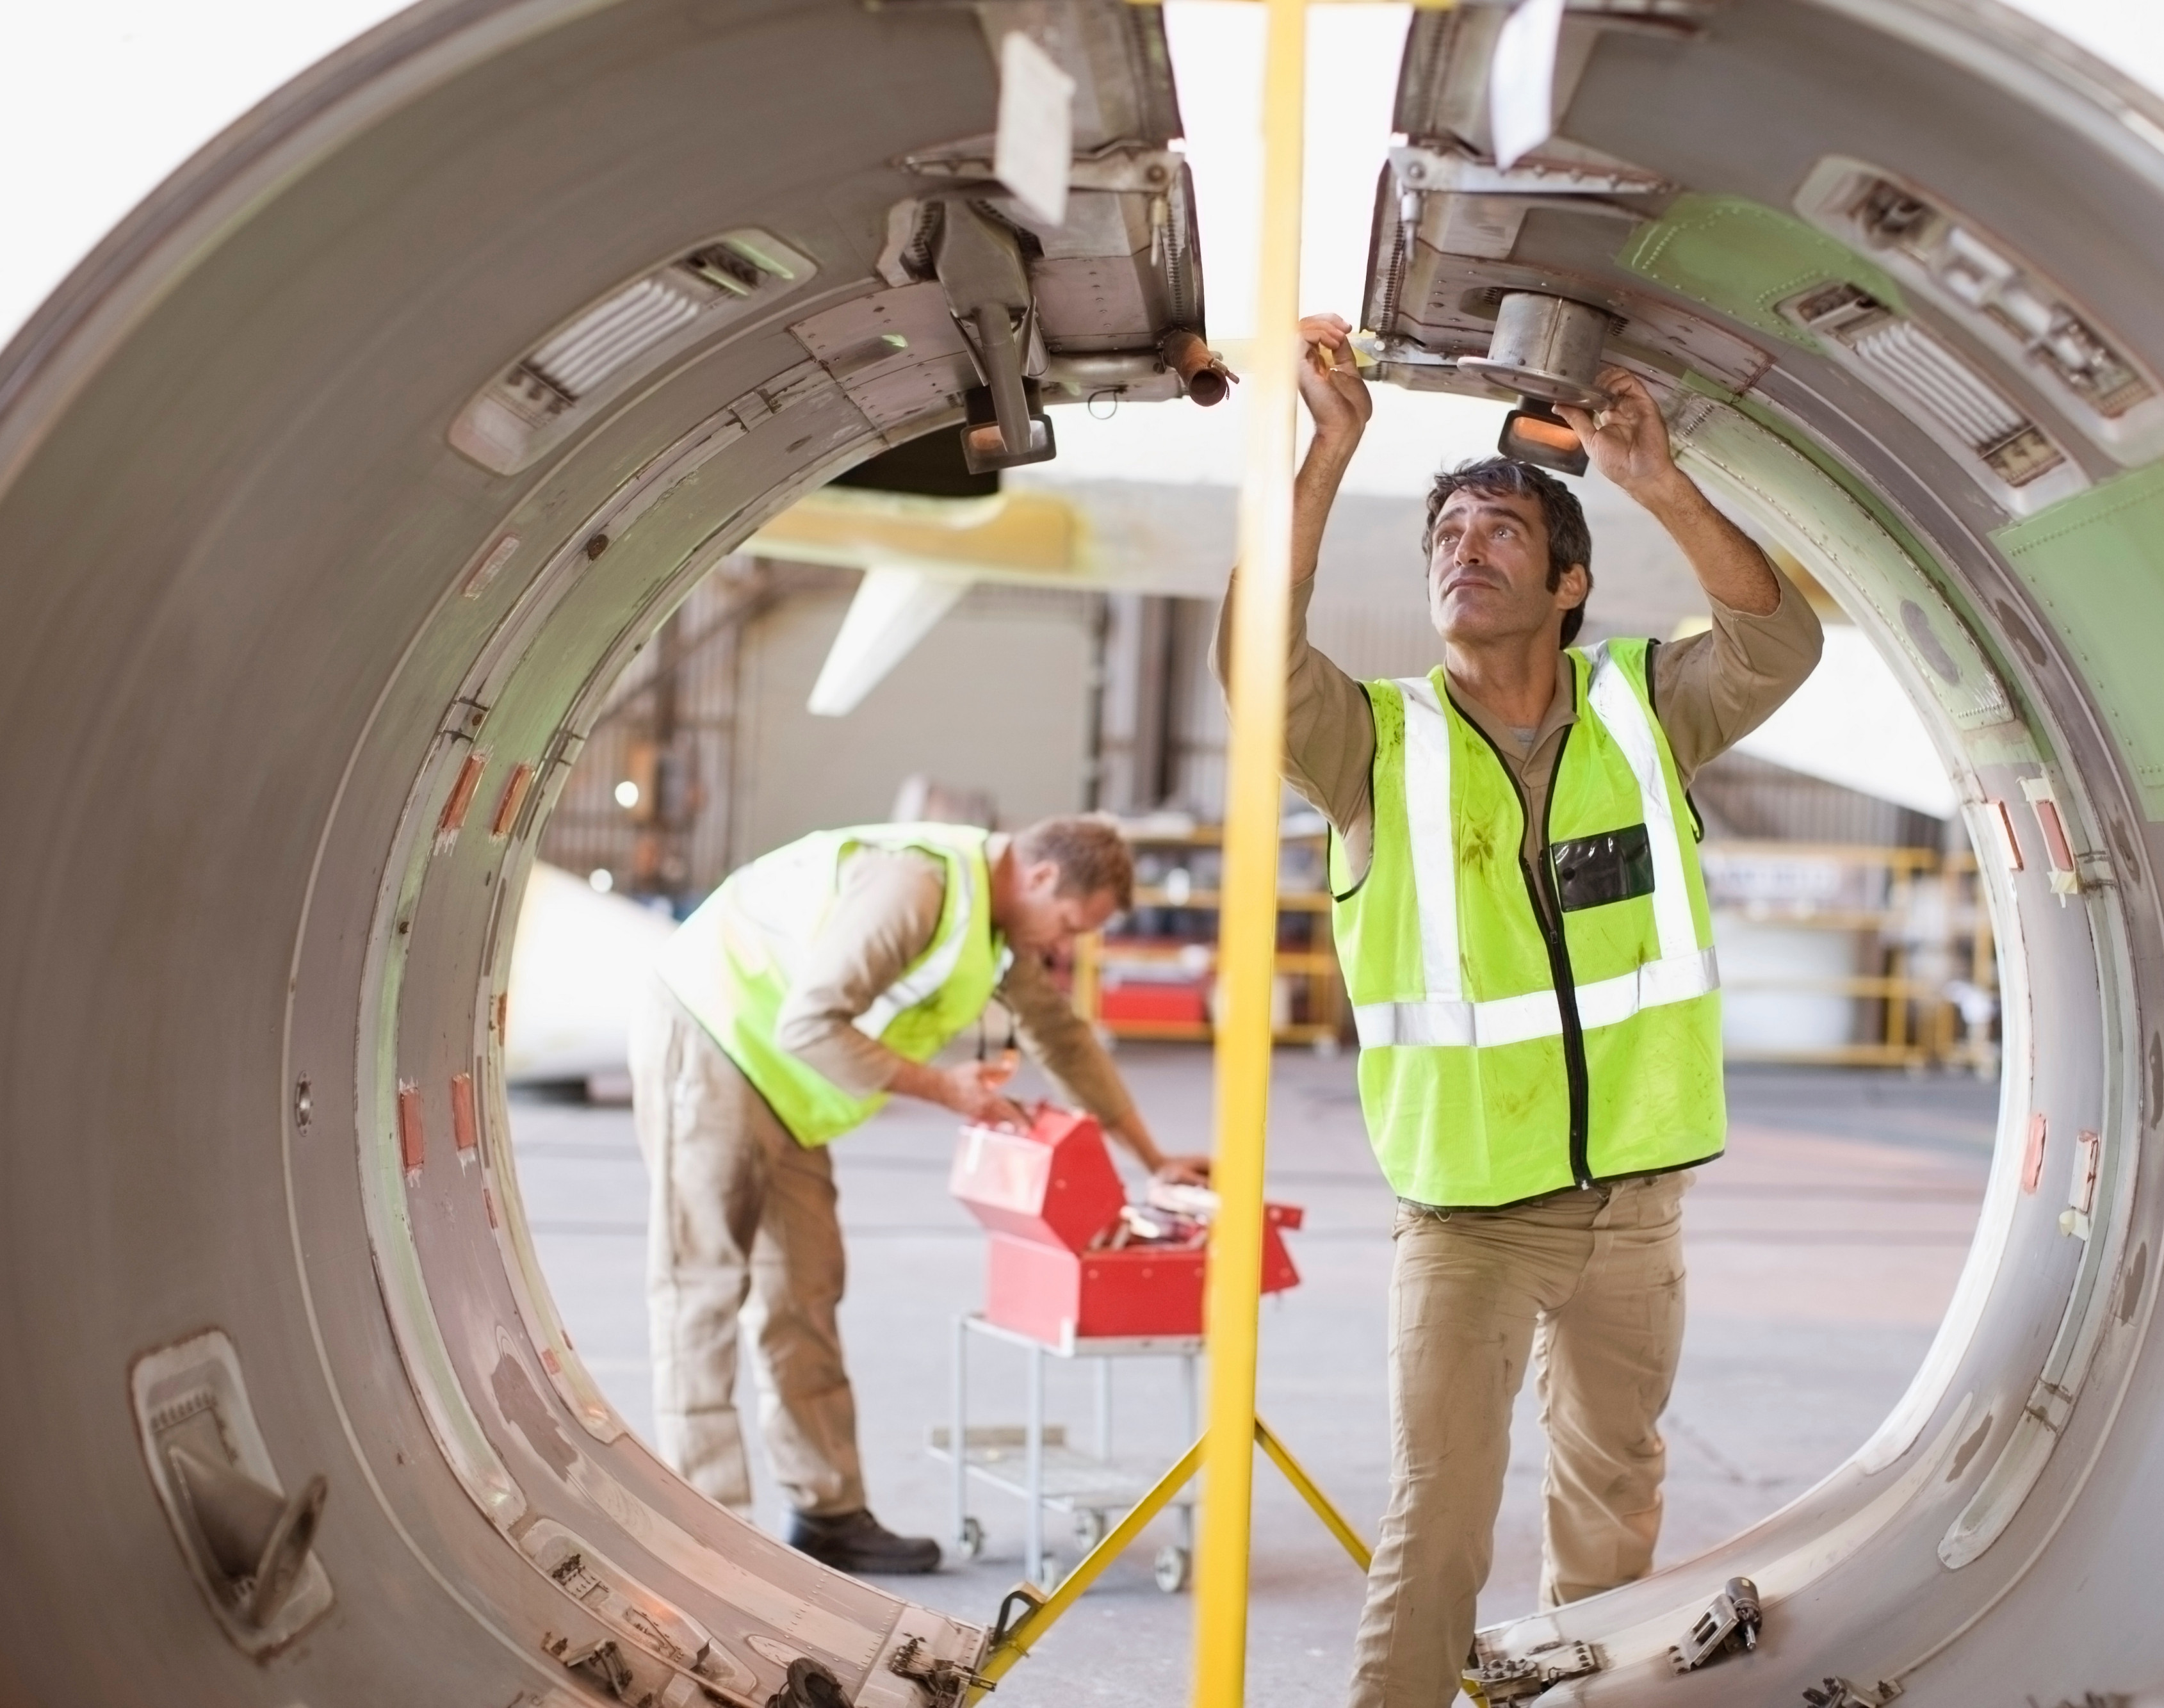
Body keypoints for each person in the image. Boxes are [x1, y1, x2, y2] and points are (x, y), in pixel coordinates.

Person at [1216, 314, 1823, 1706]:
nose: (1462, 550)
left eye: (1496, 530)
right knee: (1437, 1525)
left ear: (1567, 583)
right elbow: (1259, 656)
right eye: (1445, 536)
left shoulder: (1643, 708)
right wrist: (1328, 452)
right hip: (1468, 1216)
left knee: (1611, 1515)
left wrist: (1654, 478)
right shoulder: (1373, 743)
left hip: (1635, 1206)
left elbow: (1776, 640)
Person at [630, 814, 1207, 1574]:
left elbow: (1062, 1041)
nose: (1063, 947)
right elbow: (809, 1020)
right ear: (1038, 878)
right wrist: (944, 1088)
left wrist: (1154, 1158)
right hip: (715, 1038)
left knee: (803, 1293)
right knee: (702, 1289)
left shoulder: (998, 930)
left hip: (787, 1085)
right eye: (1069, 924)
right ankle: (709, 1538)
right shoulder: (916, 887)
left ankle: (826, 1511)